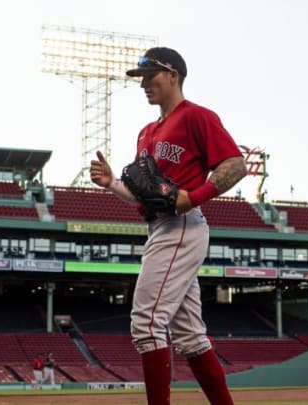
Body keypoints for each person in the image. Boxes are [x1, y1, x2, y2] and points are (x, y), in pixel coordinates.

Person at [90, 47, 246, 405]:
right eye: (141, 78)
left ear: (173, 74)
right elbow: (145, 195)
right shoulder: (146, 132)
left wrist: (194, 196)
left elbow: (236, 166)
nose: (144, 84)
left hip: (182, 225)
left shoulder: (197, 117)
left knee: (145, 325)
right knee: (190, 336)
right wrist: (113, 182)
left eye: (150, 76)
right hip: (161, 226)